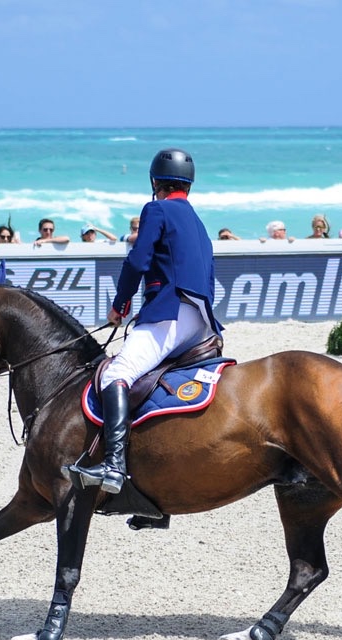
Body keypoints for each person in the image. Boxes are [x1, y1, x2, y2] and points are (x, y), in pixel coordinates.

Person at [69, 147, 222, 495]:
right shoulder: (198, 222)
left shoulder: (156, 209)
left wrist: (119, 306)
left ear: (156, 182)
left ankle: (114, 467)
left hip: (170, 314)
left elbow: (137, 262)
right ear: (189, 185)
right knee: (154, 379)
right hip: (201, 323)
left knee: (116, 373)